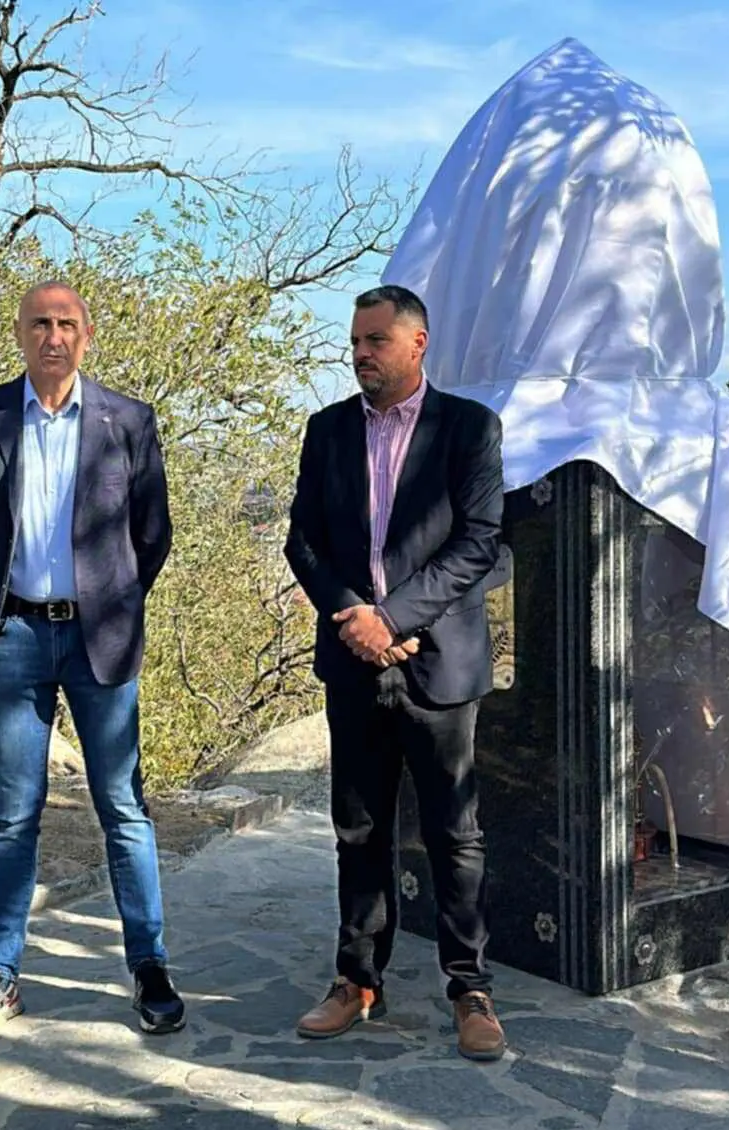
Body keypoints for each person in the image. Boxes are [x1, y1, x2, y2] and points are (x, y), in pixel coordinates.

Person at [0, 280, 184, 1044]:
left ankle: (148, 964)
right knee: (14, 812)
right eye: (40, 323)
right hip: (13, 636)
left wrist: (111, 601)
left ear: (87, 335)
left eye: (67, 323)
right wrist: (3, 598)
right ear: (20, 333)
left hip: (98, 639)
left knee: (122, 806)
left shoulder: (127, 421)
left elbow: (152, 535)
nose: (54, 336)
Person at [284, 284, 506, 1061]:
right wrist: (354, 614)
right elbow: (302, 540)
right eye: (355, 341)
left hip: (439, 662)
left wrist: (396, 618)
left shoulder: (468, 428)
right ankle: (357, 980)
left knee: (455, 833)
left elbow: (479, 541)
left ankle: (469, 988)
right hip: (354, 660)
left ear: (418, 343)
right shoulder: (328, 430)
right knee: (358, 827)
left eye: (375, 340)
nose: (360, 354)